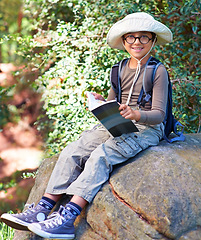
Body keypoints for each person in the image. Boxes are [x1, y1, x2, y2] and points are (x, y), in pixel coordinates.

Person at [1, 12, 172, 239]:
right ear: (123, 41)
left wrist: (137, 114)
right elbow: (114, 101)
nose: (137, 42)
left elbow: (159, 114)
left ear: (153, 40)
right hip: (118, 122)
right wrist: (102, 103)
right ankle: (42, 209)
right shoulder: (118, 69)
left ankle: (68, 217)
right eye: (131, 37)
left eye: (143, 37)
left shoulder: (157, 70)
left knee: (103, 154)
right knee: (75, 149)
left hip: (146, 128)